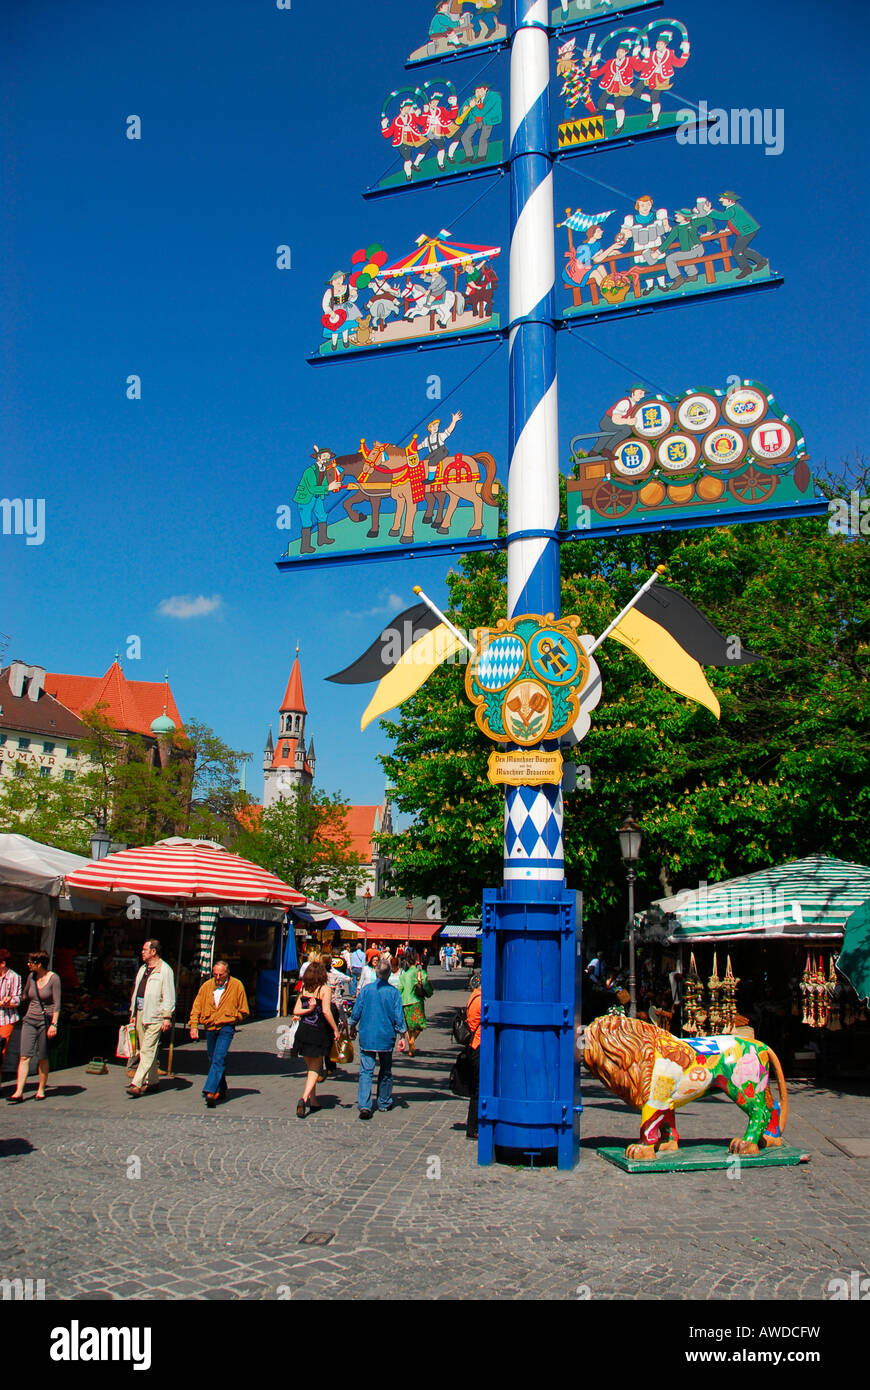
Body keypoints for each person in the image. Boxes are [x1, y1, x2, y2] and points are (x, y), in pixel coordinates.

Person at [349, 957, 407, 1119]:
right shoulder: (394, 993)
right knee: (386, 1070)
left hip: (367, 1034)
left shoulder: (367, 990)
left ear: (376, 973)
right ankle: (384, 1100)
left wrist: (352, 1025)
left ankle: (365, 1105)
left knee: (366, 1071)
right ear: (389, 974)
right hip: (386, 1036)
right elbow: (398, 1016)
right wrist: (402, 1034)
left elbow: (357, 1010)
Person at [188, 960, 250, 1108]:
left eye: (220, 975)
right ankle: (221, 1088)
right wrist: (194, 1026)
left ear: (227, 974)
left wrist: (234, 1017)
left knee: (219, 1057)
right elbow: (196, 1007)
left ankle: (210, 1090)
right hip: (210, 1026)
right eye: (215, 974)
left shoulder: (236, 985)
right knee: (212, 1058)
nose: (217, 977)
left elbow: (244, 1010)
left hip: (226, 1027)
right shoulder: (206, 986)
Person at [7, 950, 60, 1103]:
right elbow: (24, 996)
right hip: (30, 1019)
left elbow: (57, 1004)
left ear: (39, 964)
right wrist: (11, 998)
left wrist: (54, 1024)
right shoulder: (31, 977)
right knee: (24, 1056)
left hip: (45, 1021)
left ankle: (41, 1089)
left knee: (42, 1056)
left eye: (31, 962)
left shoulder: (54, 979)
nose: (28, 964)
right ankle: (19, 1091)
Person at [127, 939, 176, 1099]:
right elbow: (137, 991)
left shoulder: (165, 970)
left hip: (156, 1015)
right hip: (141, 1012)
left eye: (144, 949)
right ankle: (153, 1081)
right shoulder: (143, 969)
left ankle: (136, 1083)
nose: (142, 952)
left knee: (147, 1050)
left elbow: (169, 995)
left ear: (153, 951)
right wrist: (133, 1013)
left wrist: (167, 1016)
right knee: (148, 1049)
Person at [292, 961, 340, 1118]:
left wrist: (308, 1009)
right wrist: (335, 1029)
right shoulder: (324, 989)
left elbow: (296, 1010)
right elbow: (326, 1011)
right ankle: (304, 1099)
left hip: (303, 1031)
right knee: (316, 1068)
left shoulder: (305, 989)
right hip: (318, 1032)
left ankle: (314, 1101)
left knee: (309, 1068)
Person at [706, 191, 768, 280]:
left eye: (722, 199)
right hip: (746, 231)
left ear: (730, 200)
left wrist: (710, 212)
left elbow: (725, 217)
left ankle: (746, 269)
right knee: (741, 250)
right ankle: (760, 261)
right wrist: (727, 229)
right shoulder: (731, 208)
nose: (720, 200)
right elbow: (733, 221)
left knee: (736, 251)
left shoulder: (733, 208)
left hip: (747, 231)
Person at [594, 384, 646, 455]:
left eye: (643, 394)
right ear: (632, 392)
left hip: (615, 422)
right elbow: (615, 419)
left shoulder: (634, 405)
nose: (643, 396)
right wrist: (627, 421)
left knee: (608, 435)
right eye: (640, 393)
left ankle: (594, 452)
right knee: (627, 429)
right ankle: (608, 449)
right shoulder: (625, 403)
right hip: (607, 421)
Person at [398, 954, 433, 1057]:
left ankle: (410, 1049)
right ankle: (412, 1041)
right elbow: (426, 985)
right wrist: (429, 993)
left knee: (409, 1026)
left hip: (405, 1002)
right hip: (417, 1001)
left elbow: (400, 988)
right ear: (417, 962)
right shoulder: (421, 973)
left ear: (407, 963)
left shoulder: (403, 975)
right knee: (420, 1024)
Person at [0, 948, 23, 1087]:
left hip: (5, 1019)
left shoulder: (14, 977)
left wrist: (8, 1002)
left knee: (0, 1052)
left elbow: (18, 1000)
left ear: (2, 963)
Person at [465, 977, 482, 1140]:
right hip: (478, 1045)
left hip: (473, 1046)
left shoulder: (473, 996)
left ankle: (473, 1125)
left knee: (475, 1089)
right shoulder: (481, 1000)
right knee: (478, 1090)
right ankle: (473, 1126)